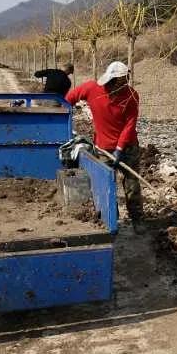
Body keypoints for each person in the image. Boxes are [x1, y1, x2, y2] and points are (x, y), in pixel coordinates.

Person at [65, 61, 144, 234]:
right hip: (103, 148)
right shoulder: (92, 89)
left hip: (128, 146)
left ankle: (137, 219)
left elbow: (130, 124)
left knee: (132, 183)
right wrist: (64, 114)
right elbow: (68, 100)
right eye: (119, 82)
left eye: (125, 81)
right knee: (107, 184)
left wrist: (119, 148)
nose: (123, 85)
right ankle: (111, 219)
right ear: (112, 80)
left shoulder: (131, 95)